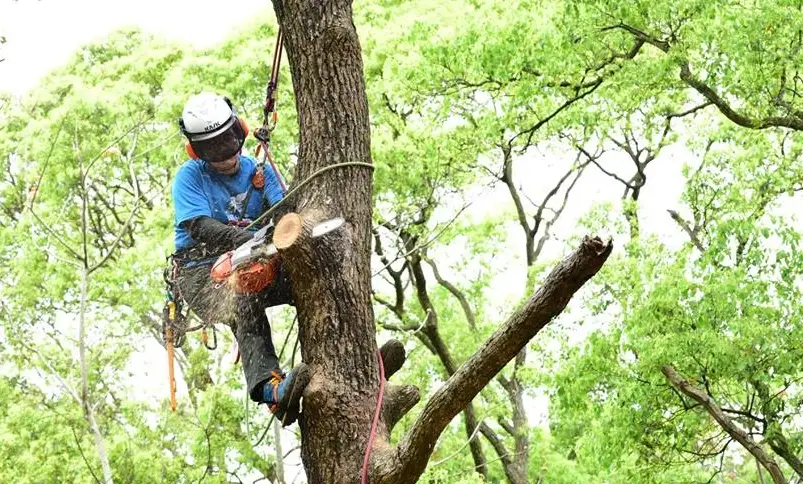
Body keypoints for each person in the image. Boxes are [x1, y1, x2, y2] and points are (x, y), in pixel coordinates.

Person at [169, 91, 309, 426]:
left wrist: (277, 238)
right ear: (195, 150)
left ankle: (340, 363)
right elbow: (199, 226)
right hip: (202, 273)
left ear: (240, 131)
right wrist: (249, 240)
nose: (223, 154)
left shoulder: (258, 170)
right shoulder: (190, 177)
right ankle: (268, 388)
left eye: (228, 141)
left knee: (311, 278)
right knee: (241, 296)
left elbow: (284, 211)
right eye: (211, 148)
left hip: (256, 259)